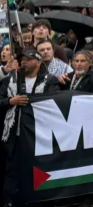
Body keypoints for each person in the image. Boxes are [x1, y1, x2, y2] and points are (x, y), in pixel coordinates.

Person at [0, 49, 59, 205]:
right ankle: (9, 201)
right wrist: (10, 101)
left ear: (38, 62)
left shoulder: (50, 80)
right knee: (12, 169)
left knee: (36, 169)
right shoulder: (10, 79)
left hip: (37, 134)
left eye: (28, 59)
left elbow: (54, 103)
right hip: (13, 134)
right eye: (22, 59)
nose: (24, 62)